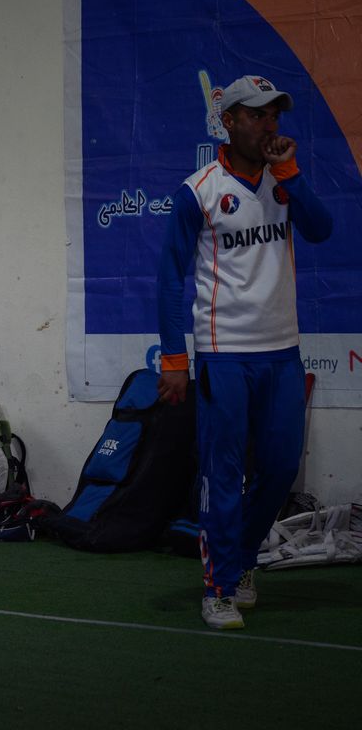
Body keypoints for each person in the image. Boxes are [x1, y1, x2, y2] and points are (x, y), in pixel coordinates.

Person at [156, 75, 333, 629]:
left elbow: (322, 230)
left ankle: (242, 560)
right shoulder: (200, 189)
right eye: (256, 115)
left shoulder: (284, 180)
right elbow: (167, 281)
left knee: (280, 468)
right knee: (222, 474)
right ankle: (218, 587)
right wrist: (175, 361)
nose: (269, 124)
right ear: (227, 122)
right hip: (224, 354)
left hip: (282, 352)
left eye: (274, 114)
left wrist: (293, 178)